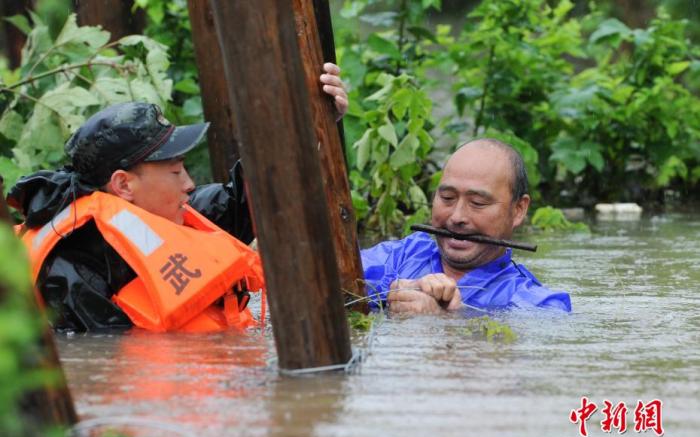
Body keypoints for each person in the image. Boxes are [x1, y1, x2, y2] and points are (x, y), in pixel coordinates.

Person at [7, 64, 348, 332]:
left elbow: (253, 197)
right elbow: (107, 367)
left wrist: (310, 123)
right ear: (124, 185)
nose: (189, 184)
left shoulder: (169, 213)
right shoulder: (72, 268)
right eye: (174, 172)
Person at [361, 138, 572, 315]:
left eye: (478, 203)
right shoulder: (399, 257)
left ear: (518, 210)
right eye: (447, 197)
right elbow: (332, 277)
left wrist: (449, 319)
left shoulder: (538, 303)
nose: (457, 217)